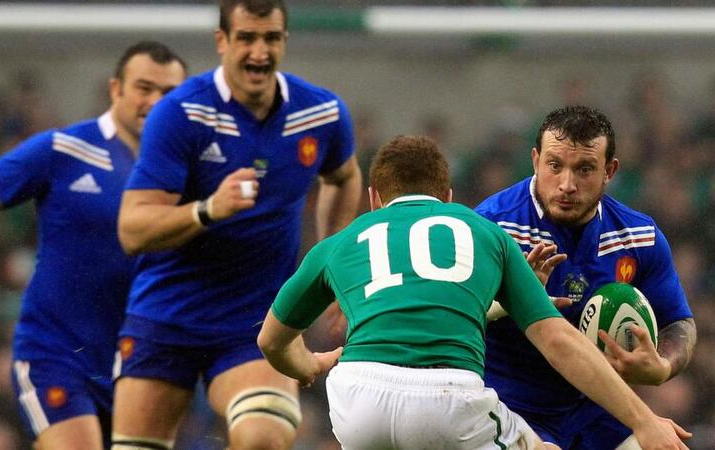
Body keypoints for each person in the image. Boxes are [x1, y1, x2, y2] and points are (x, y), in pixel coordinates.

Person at [257, 134, 691, 450]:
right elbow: (558, 340)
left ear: (374, 199)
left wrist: (308, 363)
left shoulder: (338, 243)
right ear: (447, 197)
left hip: (355, 400)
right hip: (447, 398)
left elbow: (271, 340)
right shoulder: (485, 231)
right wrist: (645, 419)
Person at [112, 1, 361, 449]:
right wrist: (208, 209)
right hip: (166, 315)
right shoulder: (182, 112)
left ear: (285, 41)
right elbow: (132, 229)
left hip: (256, 321)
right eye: (247, 38)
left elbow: (343, 177)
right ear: (222, 42)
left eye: (271, 38)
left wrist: (333, 263)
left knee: (262, 439)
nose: (259, 52)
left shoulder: (320, 113)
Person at [0, 41, 187, 450]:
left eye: (169, 93)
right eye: (144, 88)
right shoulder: (65, 149)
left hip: (139, 363)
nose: (155, 102)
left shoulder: (189, 172)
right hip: (56, 354)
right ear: (116, 89)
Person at [475, 105, 697, 449]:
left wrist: (663, 365)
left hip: (597, 409)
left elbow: (678, 323)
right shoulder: (492, 228)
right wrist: (509, 299)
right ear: (535, 161)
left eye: (584, 169)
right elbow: (450, 320)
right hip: (508, 407)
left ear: (610, 170)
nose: (567, 184)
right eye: (554, 166)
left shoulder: (639, 237)